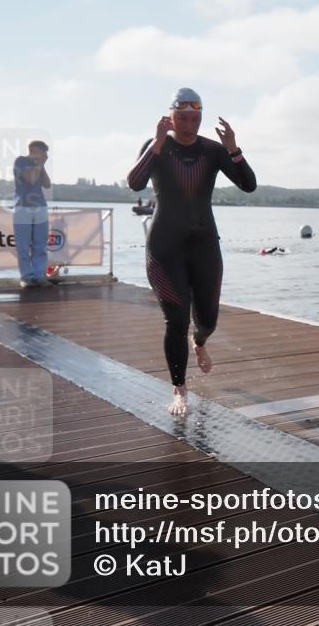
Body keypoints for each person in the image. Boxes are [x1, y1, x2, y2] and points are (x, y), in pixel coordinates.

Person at [127, 87, 257, 416]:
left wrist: (234, 150)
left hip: (203, 245)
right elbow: (135, 184)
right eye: (182, 117)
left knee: (208, 318)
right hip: (164, 247)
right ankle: (179, 389)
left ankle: (199, 342)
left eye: (194, 118)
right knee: (176, 319)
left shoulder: (212, 151)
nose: (188, 124)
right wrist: (156, 143)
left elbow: (248, 185)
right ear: (169, 117)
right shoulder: (157, 145)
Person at [13, 140, 52, 288]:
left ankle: (39, 276)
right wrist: (40, 163)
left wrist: (42, 165)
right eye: (43, 152)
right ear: (35, 150)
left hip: (40, 207)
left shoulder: (39, 165)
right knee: (23, 245)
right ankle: (25, 277)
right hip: (23, 207)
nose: (46, 155)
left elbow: (47, 184)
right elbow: (31, 179)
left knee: (40, 244)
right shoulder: (21, 161)